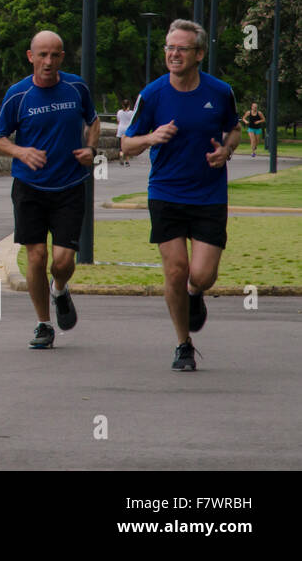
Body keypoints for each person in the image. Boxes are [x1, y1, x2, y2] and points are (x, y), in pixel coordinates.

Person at [120, 20, 239, 372]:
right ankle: (182, 344)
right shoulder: (153, 94)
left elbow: (235, 129)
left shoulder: (219, 92)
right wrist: (150, 138)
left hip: (208, 194)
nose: (173, 54)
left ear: (199, 54)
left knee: (200, 275)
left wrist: (227, 152)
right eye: (169, 47)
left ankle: (195, 293)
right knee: (175, 270)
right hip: (166, 192)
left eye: (181, 48)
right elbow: (126, 145)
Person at [0, 30, 100, 350]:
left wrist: (91, 150)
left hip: (69, 186)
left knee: (63, 262)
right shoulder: (17, 95)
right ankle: (43, 324)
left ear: (62, 58)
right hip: (30, 188)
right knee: (36, 257)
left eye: (54, 55)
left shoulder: (76, 87)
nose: (48, 61)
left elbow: (93, 121)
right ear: (30, 57)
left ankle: (60, 289)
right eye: (42, 55)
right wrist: (21, 152)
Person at [115, 99, 135, 166]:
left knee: (121, 146)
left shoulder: (119, 112)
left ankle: (121, 155)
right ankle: (127, 161)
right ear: (129, 105)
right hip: (127, 130)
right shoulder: (131, 113)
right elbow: (133, 121)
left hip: (120, 130)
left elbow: (118, 121)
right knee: (127, 146)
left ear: (122, 105)